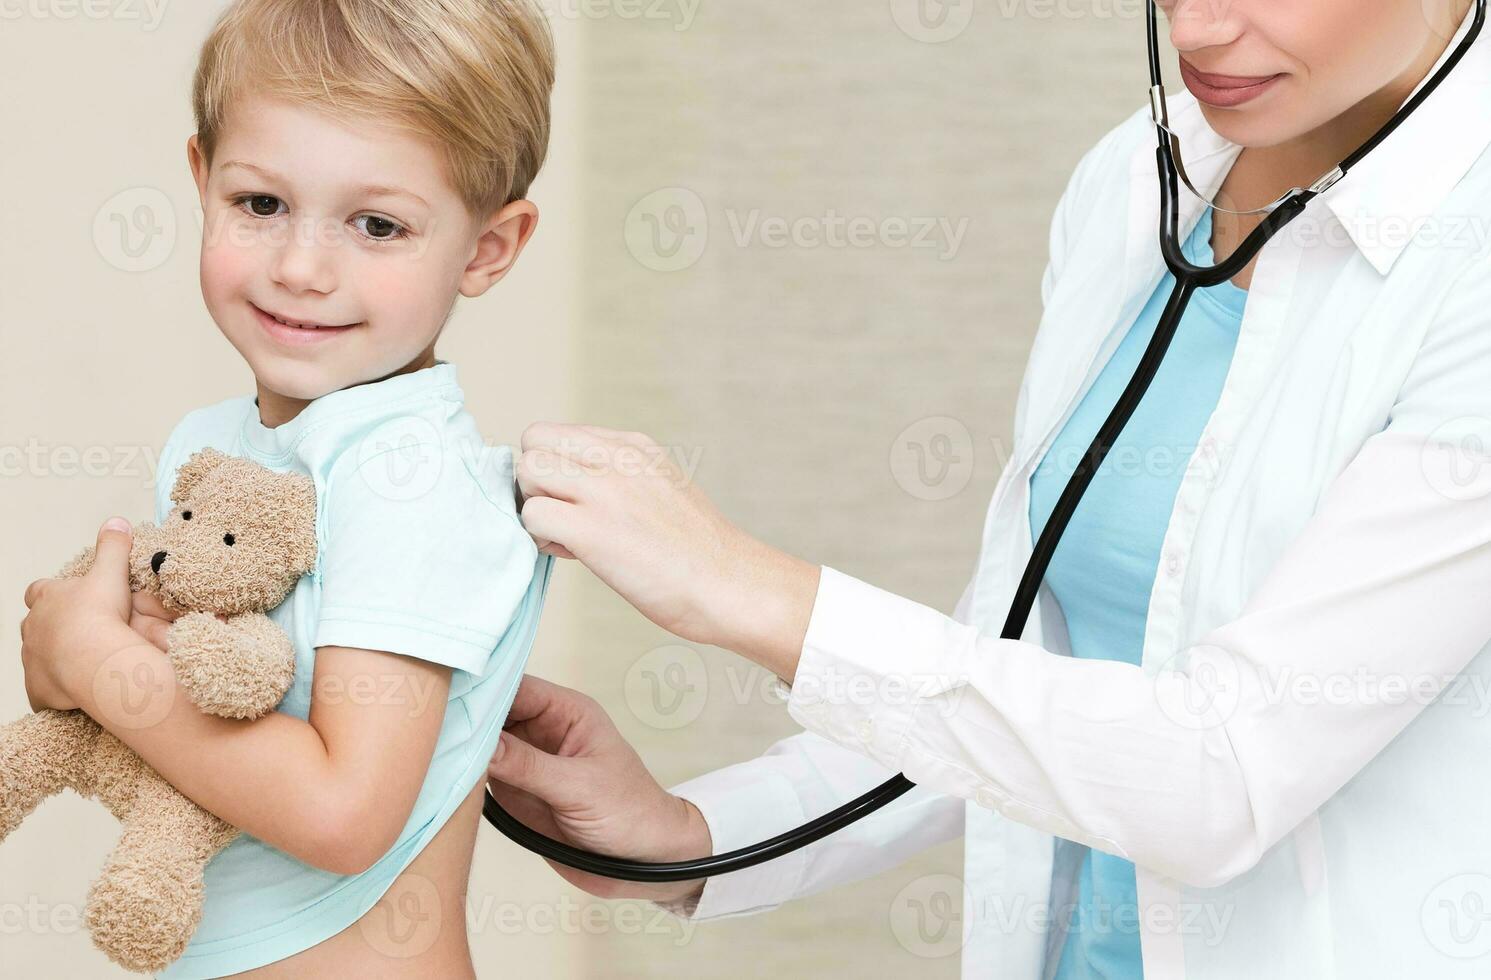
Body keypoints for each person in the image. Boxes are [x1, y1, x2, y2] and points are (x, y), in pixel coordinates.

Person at [487, 1, 1491, 977]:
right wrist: (691, 835)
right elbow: (1022, 661)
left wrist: (747, 590)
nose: (1194, 29)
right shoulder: (1140, 178)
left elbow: (1219, 773)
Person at [18, 0, 556, 976]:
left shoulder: (406, 477)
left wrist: (94, 657)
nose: (301, 267)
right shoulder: (219, 443)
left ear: (487, 248)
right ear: (202, 180)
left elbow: (341, 813)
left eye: (378, 224)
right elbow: (174, 722)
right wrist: (77, 663)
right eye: (261, 205)